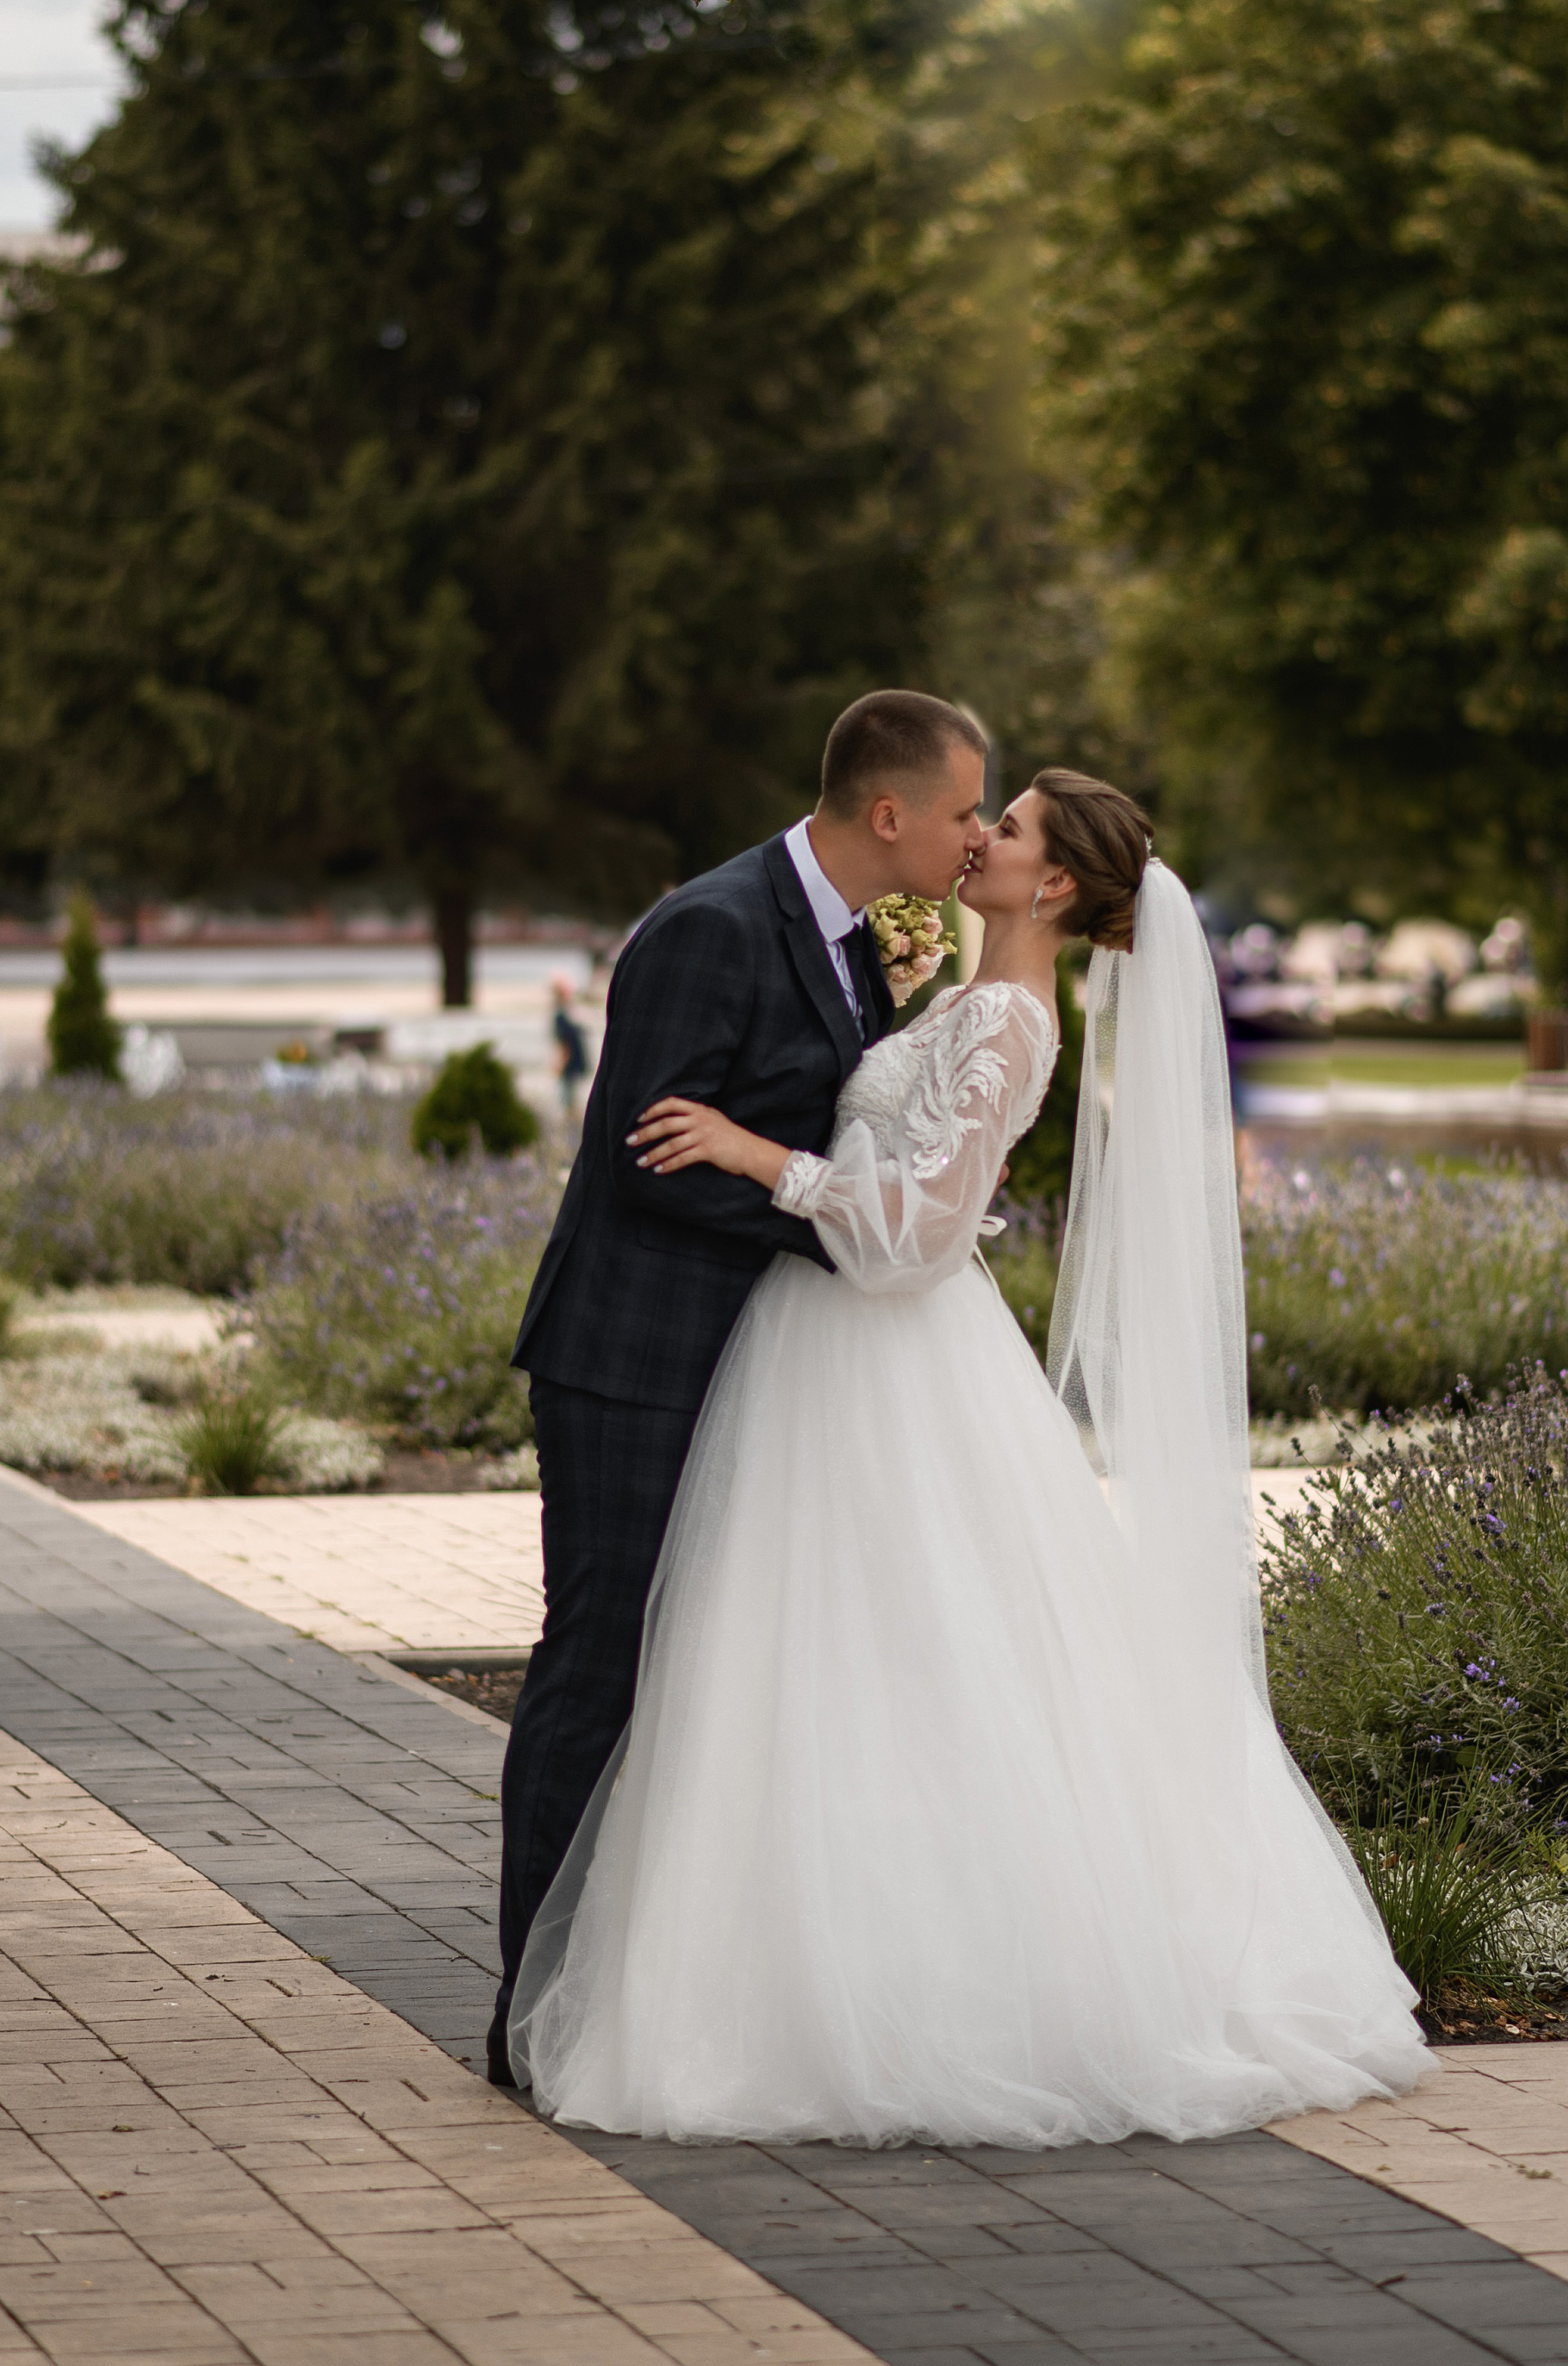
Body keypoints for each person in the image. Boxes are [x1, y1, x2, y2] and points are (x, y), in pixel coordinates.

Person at [504, 768, 1433, 2143]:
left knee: (882, 1665)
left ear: (1050, 884)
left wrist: (760, 1157)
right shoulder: (965, 998)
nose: (979, 835)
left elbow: (912, 1243)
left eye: (1006, 829)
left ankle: (892, 1994)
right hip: (826, 1357)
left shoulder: (1007, 1020)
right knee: (828, 1665)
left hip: (879, 1358)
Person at [491, 691, 990, 2085]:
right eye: (961, 810)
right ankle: (527, 2017)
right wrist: (833, 1223)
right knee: (596, 1671)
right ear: (886, 813)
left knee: (702, 1685)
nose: (972, 836)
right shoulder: (711, 927)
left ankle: (628, 1998)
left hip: (742, 1364)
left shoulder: (841, 937)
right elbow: (652, 1161)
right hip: (633, 1362)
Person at [550, 978, 591, 1120]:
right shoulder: (565, 1016)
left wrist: (560, 1064)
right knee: (570, 1101)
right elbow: (565, 1043)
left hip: (572, 1064)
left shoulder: (565, 1015)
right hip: (573, 1064)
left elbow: (564, 1044)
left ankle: (574, 1128)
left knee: (570, 1101)